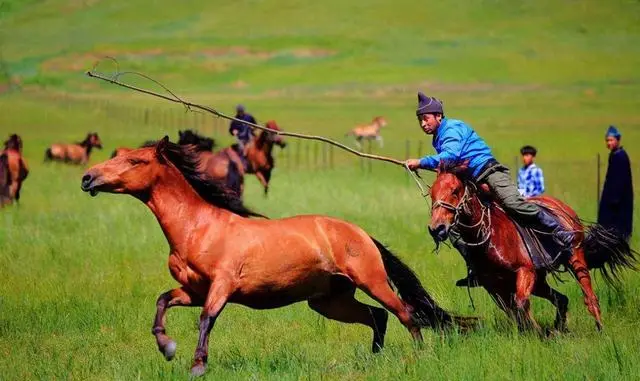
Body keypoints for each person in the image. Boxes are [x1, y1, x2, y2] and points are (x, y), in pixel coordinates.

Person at [405, 92, 574, 285]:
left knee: (512, 202)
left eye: (425, 119)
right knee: (454, 226)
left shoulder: (451, 129)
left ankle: (559, 230)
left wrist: (420, 162)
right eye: (420, 121)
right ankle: (476, 269)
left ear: (439, 116)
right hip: (470, 179)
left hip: (488, 171)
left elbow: (450, 156)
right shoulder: (437, 137)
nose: (423, 124)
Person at [598, 126, 633, 240]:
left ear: (618, 140)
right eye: (607, 140)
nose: (609, 143)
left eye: (611, 140)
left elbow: (620, 181)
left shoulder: (620, 156)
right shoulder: (614, 155)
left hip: (618, 203)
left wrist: (613, 201)